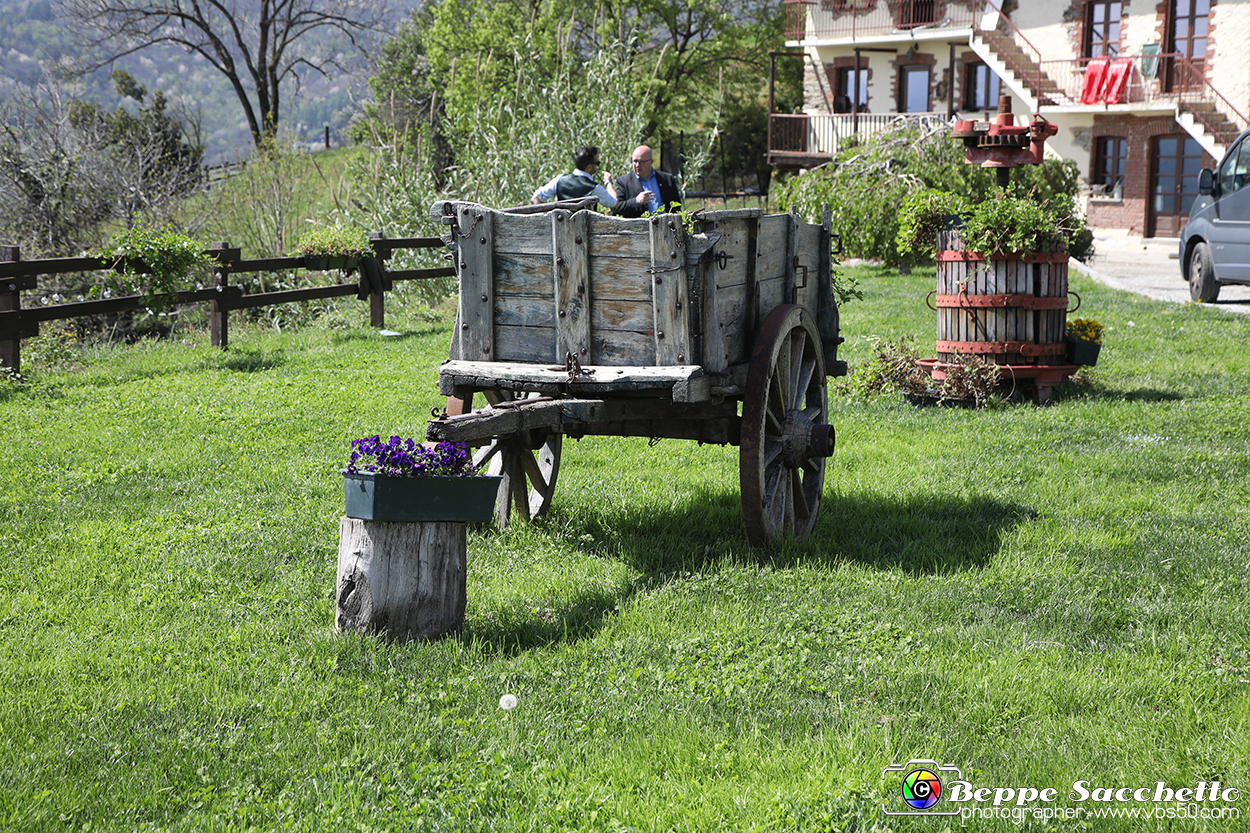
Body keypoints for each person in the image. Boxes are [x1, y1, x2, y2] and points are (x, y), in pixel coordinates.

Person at [531, 146, 618, 208]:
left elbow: (536, 197)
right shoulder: (594, 188)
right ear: (589, 167)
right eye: (597, 163)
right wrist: (608, 182)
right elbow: (615, 203)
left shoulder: (560, 180)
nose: (597, 166)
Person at [611, 145, 682, 218]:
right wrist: (636, 201)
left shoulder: (667, 179)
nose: (637, 165)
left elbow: (677, 208)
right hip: (638, 227)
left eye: (642, 162)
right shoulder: (623, 182)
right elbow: (616, 208)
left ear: (651, 162)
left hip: (664, 226)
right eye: (635, 161)